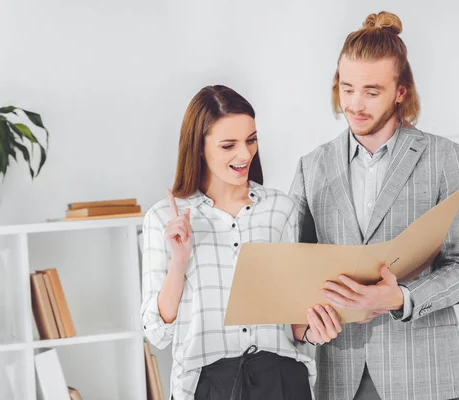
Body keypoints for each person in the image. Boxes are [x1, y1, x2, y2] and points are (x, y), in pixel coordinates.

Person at [289, 11, 459, 400]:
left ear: (401, 91)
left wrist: (401, 298)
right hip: (341, 374)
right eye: (347, 89)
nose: (356, 104)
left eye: (372, 91)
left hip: (428, 372)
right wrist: (306, 324)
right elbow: (294, 269)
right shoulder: (311, 167)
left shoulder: (445, 158)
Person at [140, 85, 341, 400]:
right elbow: (157, 332)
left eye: (251, 140)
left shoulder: (282, 209)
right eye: (228, 145)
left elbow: (293, 324)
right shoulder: (164, 218)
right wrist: (178, 263)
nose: (245, 154)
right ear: (198, 148)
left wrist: (317, 331)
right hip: (207, 386)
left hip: (283, 379)